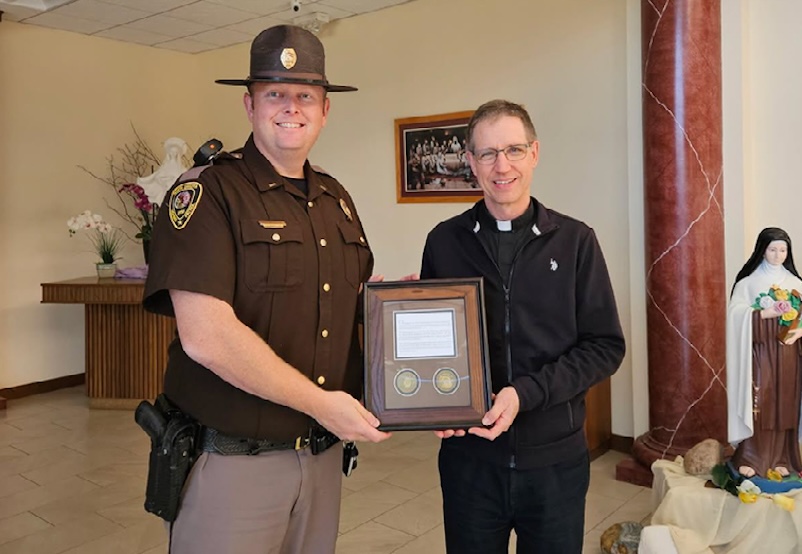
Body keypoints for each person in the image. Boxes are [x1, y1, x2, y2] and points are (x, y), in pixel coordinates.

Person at [142, 25, 391, 553]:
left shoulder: (335, 198)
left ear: (326, 110)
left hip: (322, 460)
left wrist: (398, 306)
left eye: (306, 95)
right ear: (249, 105)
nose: (291, 106)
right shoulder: (206, 194)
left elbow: (347, 305)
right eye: (275, 92)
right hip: (234, 466)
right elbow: (207, 336)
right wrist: (324, 404)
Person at [419, 99, 625, 554]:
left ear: (534, 153)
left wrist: (524, 394)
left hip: (555, 462)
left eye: (513, 150)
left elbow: (605, 346)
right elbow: (438, 345)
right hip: (470, 463)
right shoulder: (444, 241)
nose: (501, 165)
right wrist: (433, 401)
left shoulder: (575, 241)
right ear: (470, 162)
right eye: (487, 153)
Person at [727, 227, 802, 479]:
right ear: (762, 250)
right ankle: (751, 455)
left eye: (783, 249)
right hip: (760, 354)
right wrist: (766, 313)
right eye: (773, 249)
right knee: (761, 402)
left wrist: (798, 331)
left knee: (786, 405)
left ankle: (783, 457)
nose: (778, 254)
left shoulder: (795, 283)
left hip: (789, 354)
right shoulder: (747, 284)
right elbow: (735, 316)